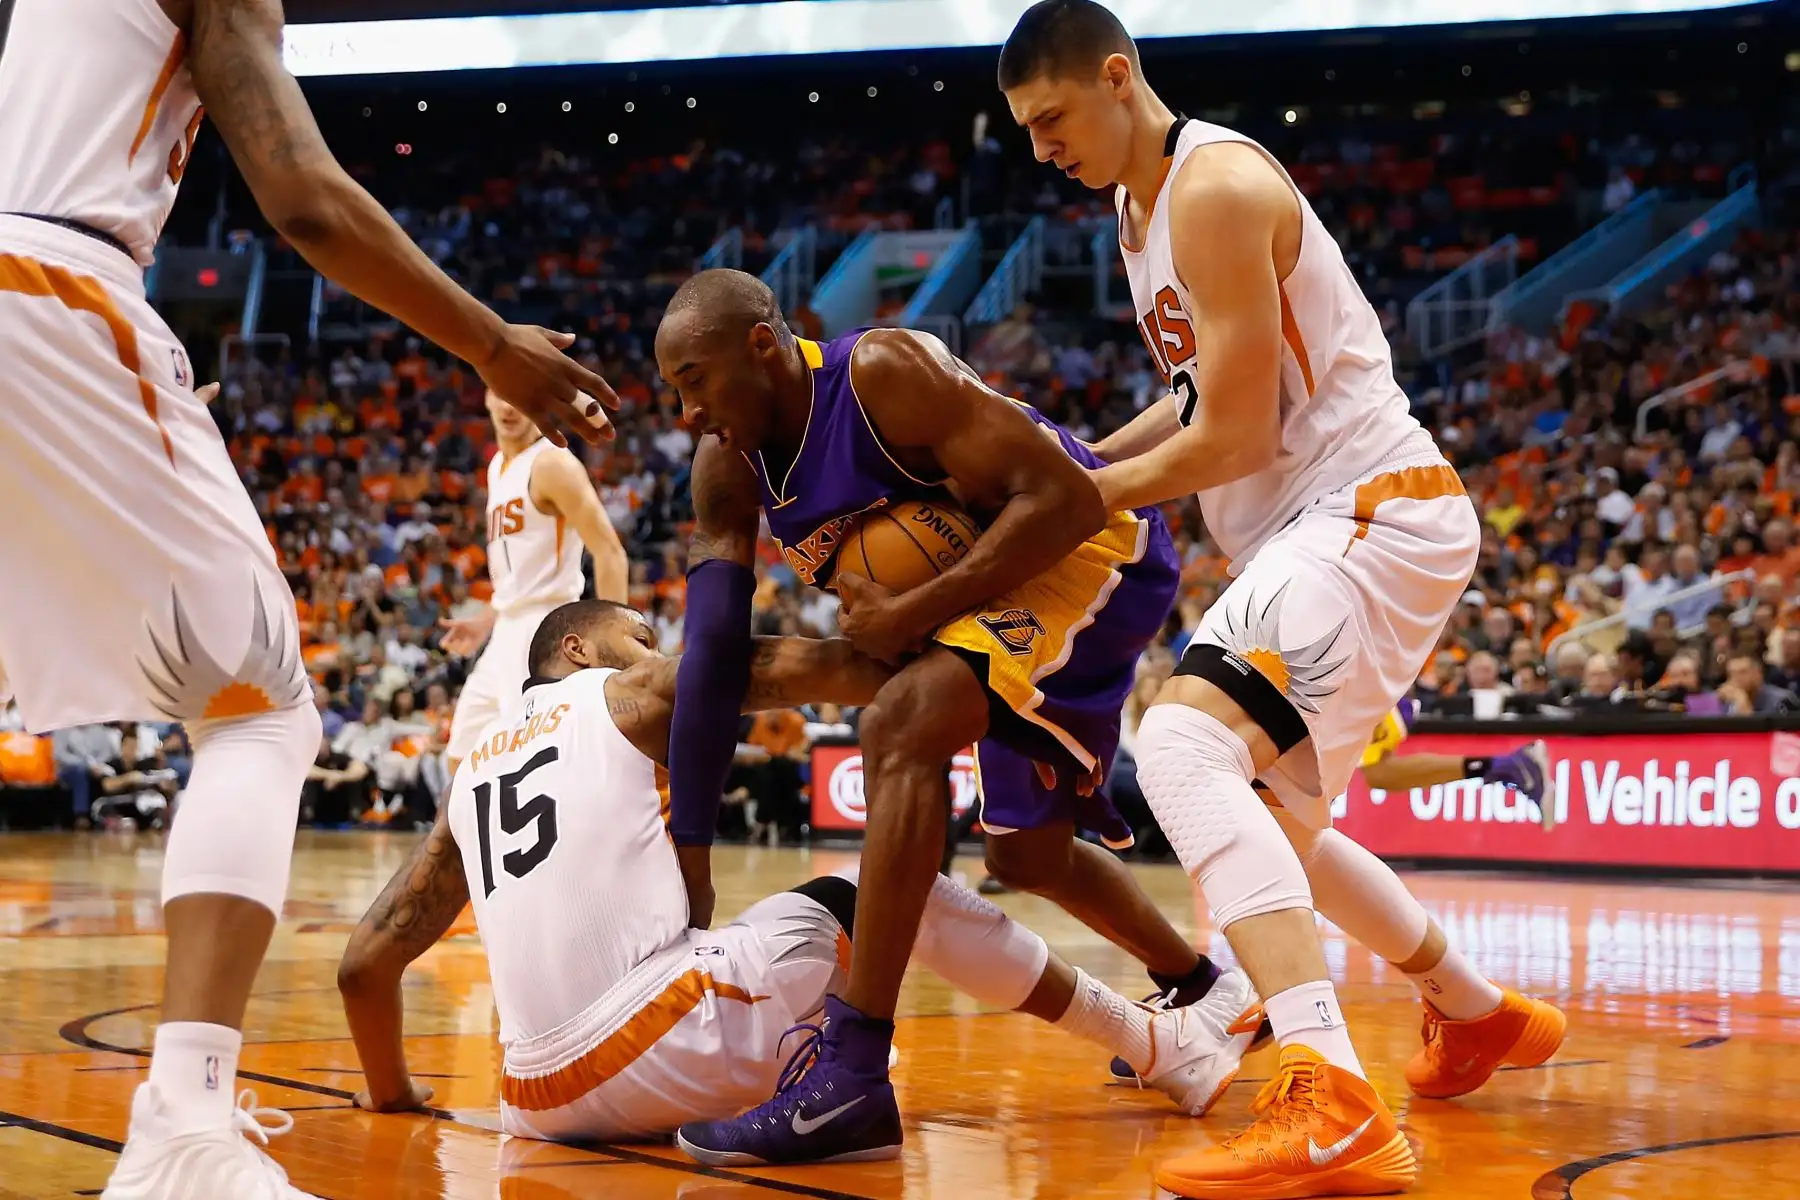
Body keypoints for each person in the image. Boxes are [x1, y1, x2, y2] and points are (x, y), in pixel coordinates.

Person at [0, 2, 614, 1195]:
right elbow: (304, 197)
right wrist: (492, 343)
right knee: (260, 711)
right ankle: (184, 1118)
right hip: (49, 289)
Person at [997, 5, 1566, 1196]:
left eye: (1051, 118)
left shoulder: (1213, 188)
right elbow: (1201, 393)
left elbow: (1237, 432)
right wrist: (1084, 466)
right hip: (1326, 525)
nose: (1041, 146)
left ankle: (1329, 1091)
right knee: (1276, 820)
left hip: (1369, 507)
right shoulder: (1134, 207)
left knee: (1185, 746)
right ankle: (1473, 1012)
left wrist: (1071, 506)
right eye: (1026, 130)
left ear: (1116, 79)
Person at [657, 269, 1254, 1165]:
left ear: (761, 343)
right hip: (967, 599)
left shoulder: (881, 375)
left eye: (694, 380)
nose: (687, 414)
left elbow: (1063, 498)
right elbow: (710, 656)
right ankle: (1207, 991)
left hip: (1084, 550)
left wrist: (908, 615)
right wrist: (691, 854)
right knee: (1025, 853)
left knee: (900, 725)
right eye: (673, 391)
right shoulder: (726, 469)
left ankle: (856, 1073)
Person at [336, 600, 1226, 1151]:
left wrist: (395, 1096)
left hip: (534, 1100)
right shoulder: (634, 693)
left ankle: (795, 1060)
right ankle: (1162, 1047)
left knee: (759, 957)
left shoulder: (471, 777)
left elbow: (362, 968)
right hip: (663, 1044)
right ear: (576, 649)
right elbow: (841, 669)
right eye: (638, 635)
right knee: (863, 893)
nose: (656, 649)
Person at [439, 391, 629, 776]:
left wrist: (614, 646)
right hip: (506, 629)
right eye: (500, 393)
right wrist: (486, 620)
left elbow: (610, 553)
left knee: (534, 763)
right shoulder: (498, 467)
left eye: (520, 396)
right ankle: (471, 838)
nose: (510, 406)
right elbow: (521, 570)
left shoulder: (551, 464)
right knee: (462, 755)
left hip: (545, 628)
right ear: (487, 397)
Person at [1359, 699, 1555, 831]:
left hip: (1356, 680)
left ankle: (1509, 765)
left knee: (1378, 772)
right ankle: (1507, 766)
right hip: (1351, 675)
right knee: (1381, 775)